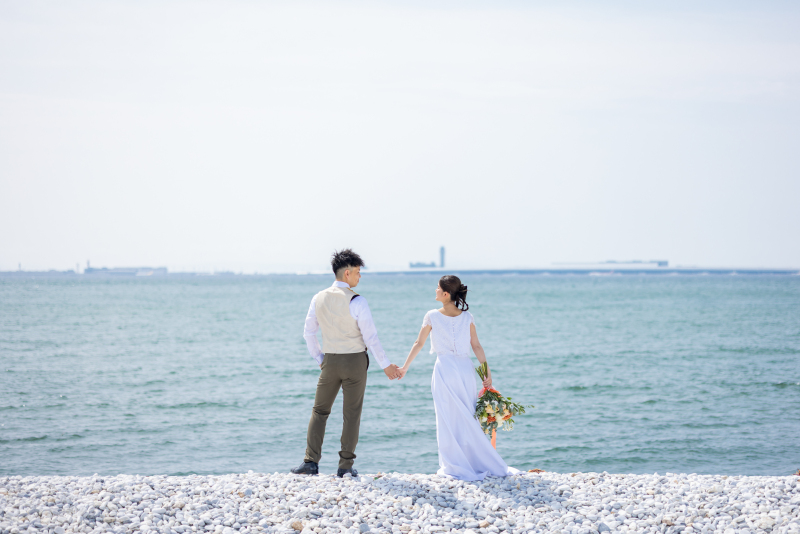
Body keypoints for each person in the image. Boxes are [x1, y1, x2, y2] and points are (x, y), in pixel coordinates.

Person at [292, 249, 402, 477]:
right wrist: (386, 365)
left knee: (319, 411)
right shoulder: (357, 301)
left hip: (330, 361)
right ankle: (345, 466)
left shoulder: (318, 297)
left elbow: (308, 333)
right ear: (348, 273)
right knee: (351, 414)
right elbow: (371, 338)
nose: (360, 277)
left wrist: (321, 359)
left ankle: (311, 462)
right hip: (354, 362)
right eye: (359, 272)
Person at [398, 275, 519, 480]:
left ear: (446, 294)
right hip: (465, 370)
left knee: (447, 419)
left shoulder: (432, 316)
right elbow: (477, 346)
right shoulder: (467, 317)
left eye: (437, 288)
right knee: (468, 416)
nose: (435, 290)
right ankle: (478, 460)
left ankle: (455, 464)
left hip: (445, 370)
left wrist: (404, 368)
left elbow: (418, 343)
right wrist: (486, 373)